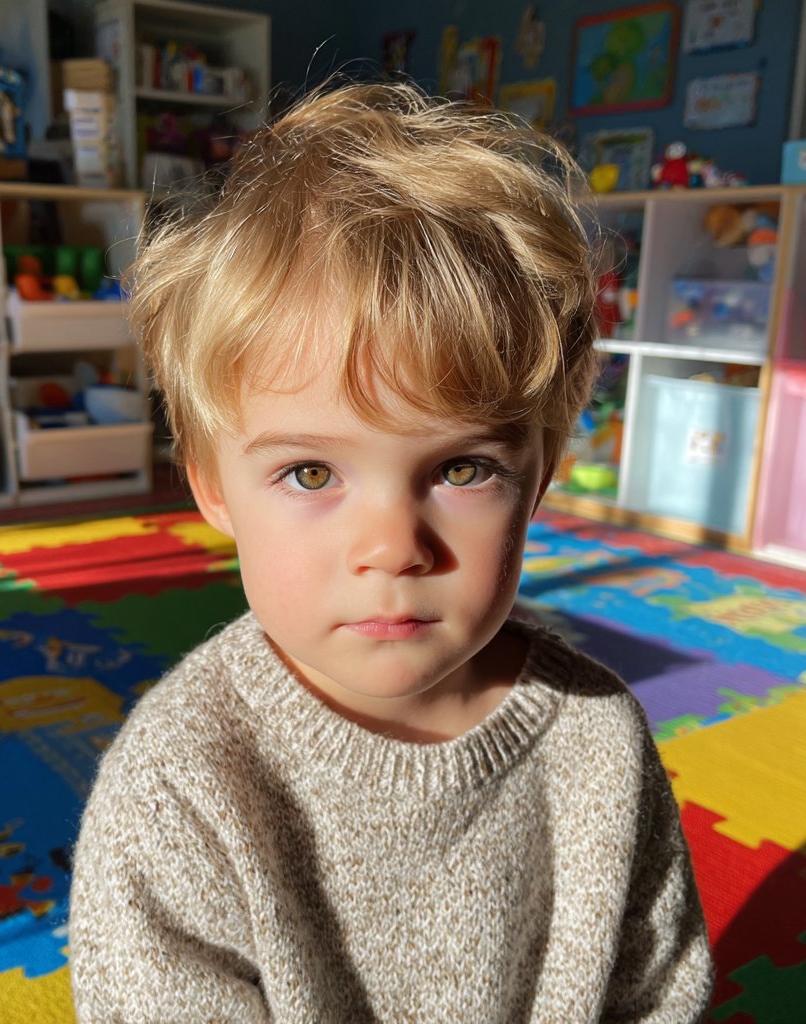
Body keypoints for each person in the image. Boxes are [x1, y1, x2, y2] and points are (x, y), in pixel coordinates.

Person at [69, 81, 713, 1022]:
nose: (392, 548)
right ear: (212, 483)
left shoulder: (597, 739)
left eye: (461, 470)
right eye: (310, 475)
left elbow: (658, 991)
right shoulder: (184, 783)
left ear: (537, 479)